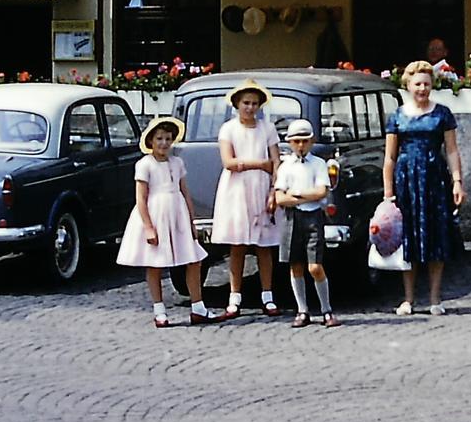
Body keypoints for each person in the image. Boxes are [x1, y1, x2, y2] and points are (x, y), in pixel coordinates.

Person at [116, 116, 223, 327]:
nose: (164, 143)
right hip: (156, 213)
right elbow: (141, 198)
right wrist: (148, 226)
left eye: (167, 139)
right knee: (155, 263)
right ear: (151, 142)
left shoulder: (177, 163)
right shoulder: (145, 164)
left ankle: (198, 307)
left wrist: (191, 221)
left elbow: (185, 192)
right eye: (159, 139)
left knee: (194, 259)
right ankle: (159, 309)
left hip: (177, 213)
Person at [383, 59, 465, 316]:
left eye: (427, 84)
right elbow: (390, 157)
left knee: (435, 235)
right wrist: (388, 192)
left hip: (434, 178)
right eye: (418, 84)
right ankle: (408, 298)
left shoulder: (442, 113)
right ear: (408, 85)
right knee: (407, 237)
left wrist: (457, 180)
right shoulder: (397, 116)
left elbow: (451, 150)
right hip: (406, 179)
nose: (422, 89)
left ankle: (434, 298)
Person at [213, 78, 282, 319]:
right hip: (237, 189)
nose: (250, 108)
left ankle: (268, 295)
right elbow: (229, 162)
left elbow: (276, 162)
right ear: (237, 104)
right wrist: (258, 164)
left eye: (254, 103)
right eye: (246, 103)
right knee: (238, 244)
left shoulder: (267, 129)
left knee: (264, 245)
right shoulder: (229, 129)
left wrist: (274, 190)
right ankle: (234, 297)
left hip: (261, 187)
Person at [273, 118, 342, 328]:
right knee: (296, 265)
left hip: (313, 217)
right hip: (292, 218)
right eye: (296, 141)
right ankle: (302, 309)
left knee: (315, 266)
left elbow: (322, 191)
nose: (301, 145)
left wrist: (299, 195)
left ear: (311, 142)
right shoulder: (285, 167)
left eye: (304, 141)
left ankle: (326, 308)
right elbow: (280, 198)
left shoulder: (318, 164)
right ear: (290, 143)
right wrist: (304, 198)